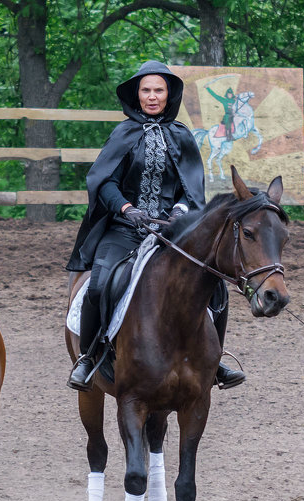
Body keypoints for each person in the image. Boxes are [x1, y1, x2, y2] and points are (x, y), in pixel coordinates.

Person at [65, 60, 245, 391]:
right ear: (137, 94)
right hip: (123, 230)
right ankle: (88, 358)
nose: (151, 96)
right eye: (146, 90)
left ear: (168, 95)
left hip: (170, 234)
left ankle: (214, 359)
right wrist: (126, 207)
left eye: (158, 90)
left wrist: (179, 210)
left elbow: (191, 188)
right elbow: (103, 181)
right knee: (98, 285)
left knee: (216, 286)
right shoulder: (123, 133)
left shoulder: (181, 136)